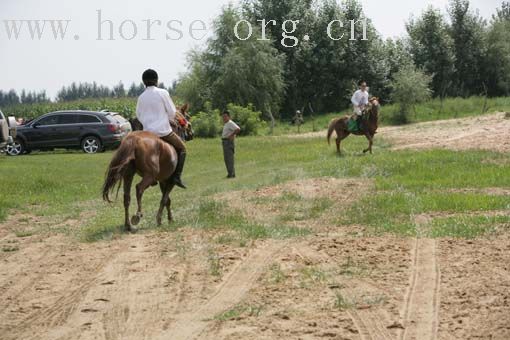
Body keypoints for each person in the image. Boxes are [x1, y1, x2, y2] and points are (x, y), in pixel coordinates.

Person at [136, 69, 187, 189]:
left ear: (144, 82)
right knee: (183, 148)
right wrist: (168, 119)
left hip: (147, 134)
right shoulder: (163, 92)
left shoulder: (141, 97)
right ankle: (177, 177)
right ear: (156, 80)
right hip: (163, 132)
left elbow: (138, 115)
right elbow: (172, 112)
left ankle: (148, 175)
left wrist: (148, 124)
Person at [221, 110, 241, 179]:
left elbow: (238, 129)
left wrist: (231, 135)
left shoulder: (230, 123)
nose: (224, 118)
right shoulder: (226, 124)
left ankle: (231, 174)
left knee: (229, 158)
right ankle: (230, 173)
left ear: (229, 117)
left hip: (228, 142)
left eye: (225, 116)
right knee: (226, 158)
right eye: (223, 117)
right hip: (225, 142)